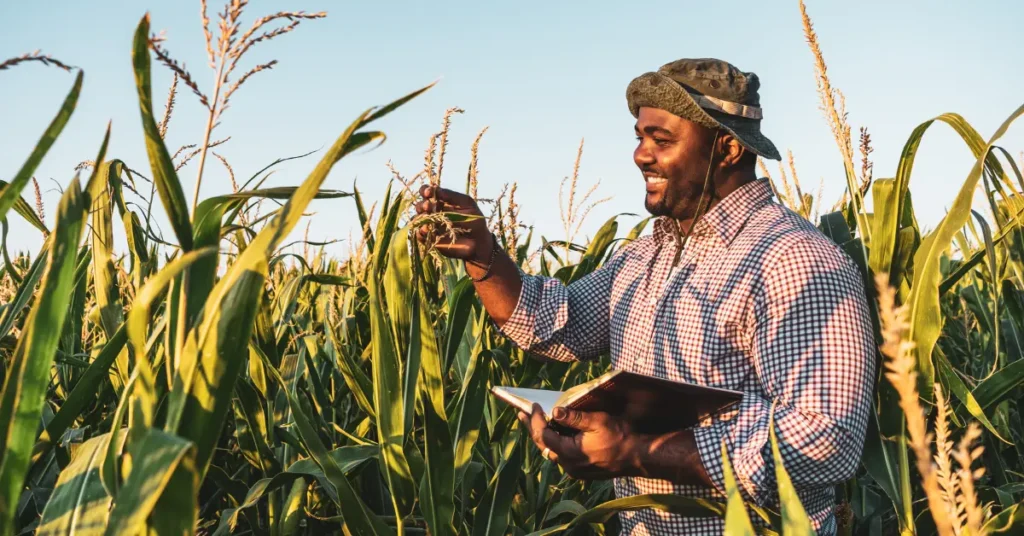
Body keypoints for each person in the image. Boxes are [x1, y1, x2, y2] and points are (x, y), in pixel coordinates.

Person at [414, 58, 876, 535]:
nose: (640, 155)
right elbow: (553, 324)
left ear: (729, 148)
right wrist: (484, 254)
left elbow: (827, 439)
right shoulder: (646, 254)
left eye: (662, 140)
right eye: (639, 137)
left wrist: (636, 453)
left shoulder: (794, 260)